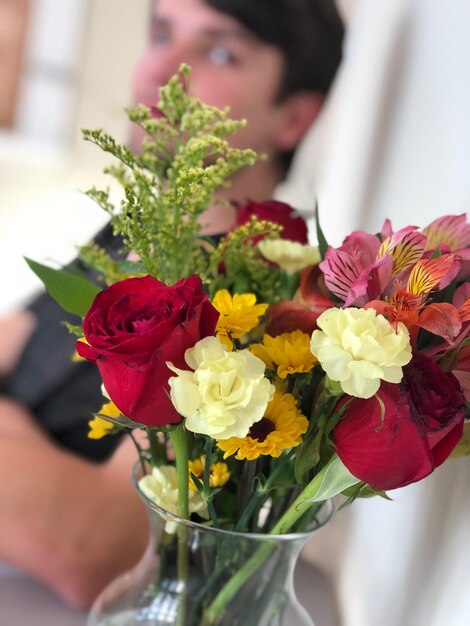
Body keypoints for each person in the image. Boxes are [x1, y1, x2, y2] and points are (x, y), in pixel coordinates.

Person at [0, 0, 344, 609]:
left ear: (294, 115)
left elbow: (97, 549)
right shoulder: (140, 234)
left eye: (218, 51)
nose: (164, 68)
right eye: (161, 32)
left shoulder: (273, 301)